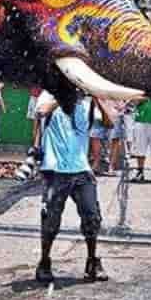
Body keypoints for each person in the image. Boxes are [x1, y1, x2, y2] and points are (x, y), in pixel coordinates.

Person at [34, 93, 107, 283]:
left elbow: (109, 122)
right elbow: (41, 110)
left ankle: (92, 261)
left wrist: (98, 98)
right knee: (50, 219)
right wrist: (66, 94)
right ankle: (44, 261)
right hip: (55, 170)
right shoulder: (50, 94)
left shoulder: (88, 101)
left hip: (82, 170)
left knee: (92, 216)